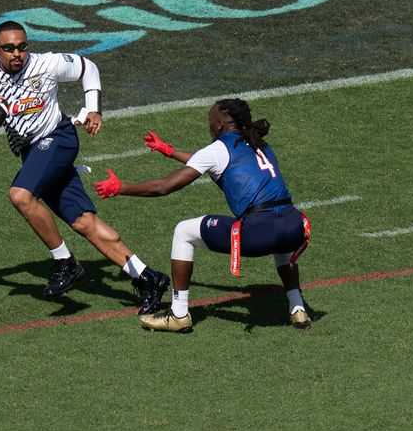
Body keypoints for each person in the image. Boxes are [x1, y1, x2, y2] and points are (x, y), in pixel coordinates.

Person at [0, 21, 169, 313]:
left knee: (20, 195)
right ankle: (148, 278)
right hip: (33, 153)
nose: (16, 53)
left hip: (57, 138)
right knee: (84, 222)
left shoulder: (47, 64)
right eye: (8, 48)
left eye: (22, 47)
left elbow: (88, 68)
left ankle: (65, 262)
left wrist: (94, 107)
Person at [93, 98, 310, 333]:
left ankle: (178, 315)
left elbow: (164, 186)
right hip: (295, 227)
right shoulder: (259, 144)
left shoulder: (218, 149)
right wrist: (169, 151)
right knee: (278, 226)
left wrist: (120, 188)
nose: (209, 125)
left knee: (183, 232)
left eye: (210, 120)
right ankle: (297, 308)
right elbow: (211, 162)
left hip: (258, 233)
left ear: (219, 125)